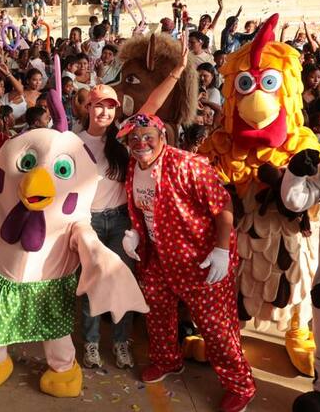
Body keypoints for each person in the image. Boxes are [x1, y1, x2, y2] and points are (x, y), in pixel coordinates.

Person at [118, 114, 256, 412]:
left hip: (199, 259)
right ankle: (167, 360)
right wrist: (136, 232)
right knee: (157, 313)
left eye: (147, 137)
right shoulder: (133, 166)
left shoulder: (187, 165)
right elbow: (143, 206)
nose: (141, 144)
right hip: (157, 256)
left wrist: (221, 250)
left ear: (162, 137)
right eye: (134, 138)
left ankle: (240, 385)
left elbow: (223, 205)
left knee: (216, 326)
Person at [76, 85, 135, 369]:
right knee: (93, 285)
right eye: (99, 105)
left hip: (121, 221)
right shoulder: (73, 143)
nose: (104, 112)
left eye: (110, 107)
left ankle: (121, 342)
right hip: (89, 222)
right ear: (88, 107)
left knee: (122, 284)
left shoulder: (123, 141)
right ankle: (91, 343)